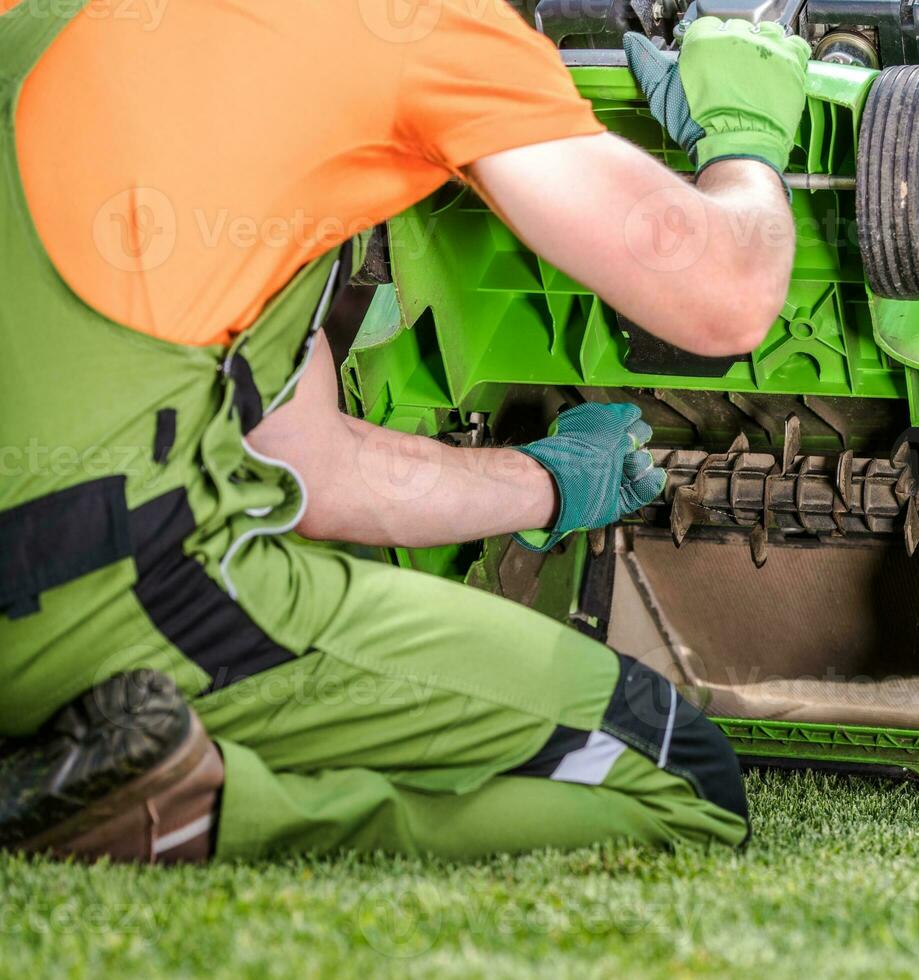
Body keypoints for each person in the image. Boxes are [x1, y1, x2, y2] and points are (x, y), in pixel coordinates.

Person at [0, 0, 810, 863]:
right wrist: (746, 138)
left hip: (64, 553)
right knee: (684, 778)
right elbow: (728, 292)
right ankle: (207, 811)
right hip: (96, 598)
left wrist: (551, 477)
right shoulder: (415, 24)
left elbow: (302, 460)